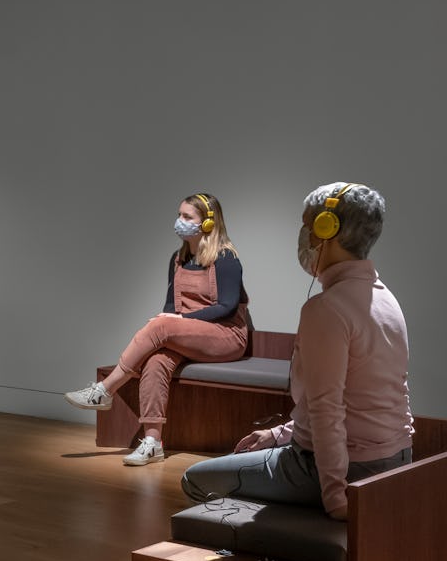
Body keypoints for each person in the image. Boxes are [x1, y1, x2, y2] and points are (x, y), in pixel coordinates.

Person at [180, 182, 412, 520]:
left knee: (194, 480)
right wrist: (279, 433)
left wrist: (336, 498)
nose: (303, 235)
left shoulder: (327, 309)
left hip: (343, 471)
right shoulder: (386, 298)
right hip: (396, 460)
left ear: (326, 230)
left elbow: (327, 410)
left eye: (307, 225)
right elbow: (359, 398)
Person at [65, 193, 250, 466]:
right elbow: (170, 306)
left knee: (163, 324)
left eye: (187, 217)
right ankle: (153, 443)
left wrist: (180, 321)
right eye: (179, 215)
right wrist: (174, 322)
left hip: (225, 335)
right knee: (155, 360)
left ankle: (105, 389)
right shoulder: (178, 258)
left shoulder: (225, 258)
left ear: (209, 223)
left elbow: (227, 306)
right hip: (188, 334)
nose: (180, 221)